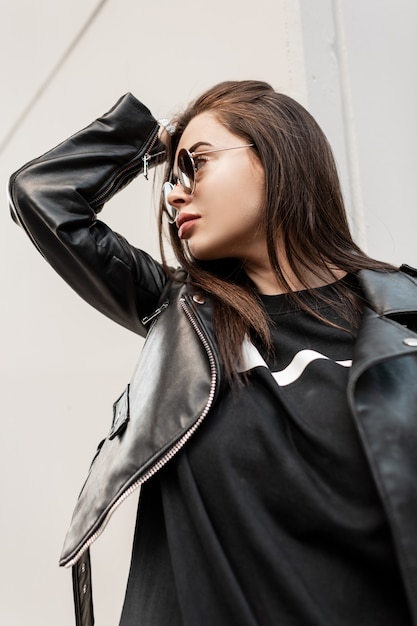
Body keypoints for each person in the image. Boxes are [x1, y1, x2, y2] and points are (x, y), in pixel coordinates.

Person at [9, 80, 417, 626]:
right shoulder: (179, 315)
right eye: (170, 177)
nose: (174, 193)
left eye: (195, 165)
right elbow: (43, 195)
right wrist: (152, 138)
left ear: (276, 155)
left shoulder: (405, 314)